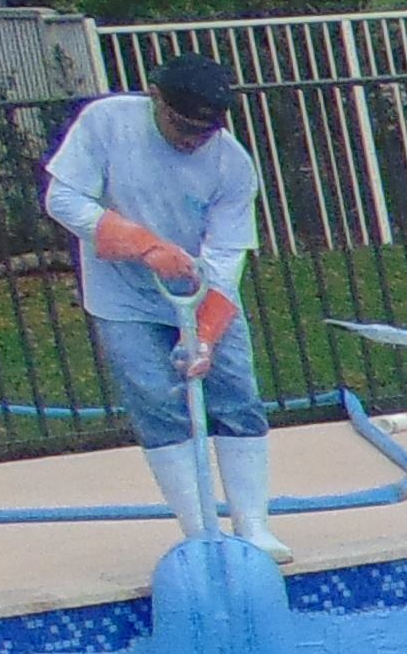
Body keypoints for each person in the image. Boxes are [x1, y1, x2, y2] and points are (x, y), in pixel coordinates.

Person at [40, 53, 275, 558]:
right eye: (181, 125)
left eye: (203, 131)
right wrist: (143, 244)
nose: (191, 139)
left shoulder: (231, 164)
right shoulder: (106, 124)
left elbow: (228, 254)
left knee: (236, 395)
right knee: (157, 401)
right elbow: (63, 200)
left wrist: (206, 334)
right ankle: (200, 533)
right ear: (154, 96)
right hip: (123, 297)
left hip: (200, 293)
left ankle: (252, 527)